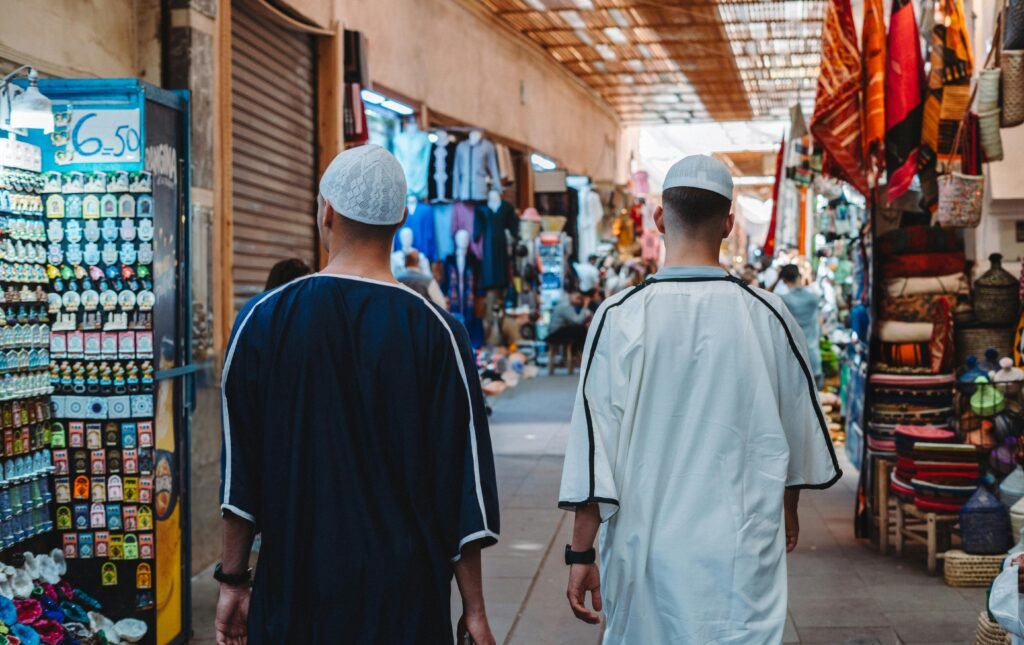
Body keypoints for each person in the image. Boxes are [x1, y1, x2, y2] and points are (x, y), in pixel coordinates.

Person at [216, 144, 500, 645]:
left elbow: (240, 475)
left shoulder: (261, 321)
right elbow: (462, 485)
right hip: (406, 604)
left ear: (326, 211)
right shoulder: (439, 332)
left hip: (294, 598)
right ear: (402, 219)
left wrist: (234, 580)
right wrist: (473, 607)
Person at [558, 155, 840, 644]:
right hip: (741, 552)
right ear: (729, 224)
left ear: (660, 219)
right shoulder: (768, 316)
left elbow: (593, 444)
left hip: (646, 550)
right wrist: (787, 507)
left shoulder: (619, 315)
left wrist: (582, 553)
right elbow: (796, 431)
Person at [779, 263, 826, 389]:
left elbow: (764, 296)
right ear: (799, 276)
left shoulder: (783, 300)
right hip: (815, 362)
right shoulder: (813, 298)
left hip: (797, 363)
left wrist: (777, 278)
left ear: (783, 280)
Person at [547, 289, 591, 353]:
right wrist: (585, 307)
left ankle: (576, 353)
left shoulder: (564, 300)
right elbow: (577, 321)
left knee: (578, 330)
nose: (579, 302)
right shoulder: (566, 305)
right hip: (555, 332)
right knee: (581, 330)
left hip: (554, 330)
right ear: (572, 295)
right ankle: (578, 353)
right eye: (578, 298)